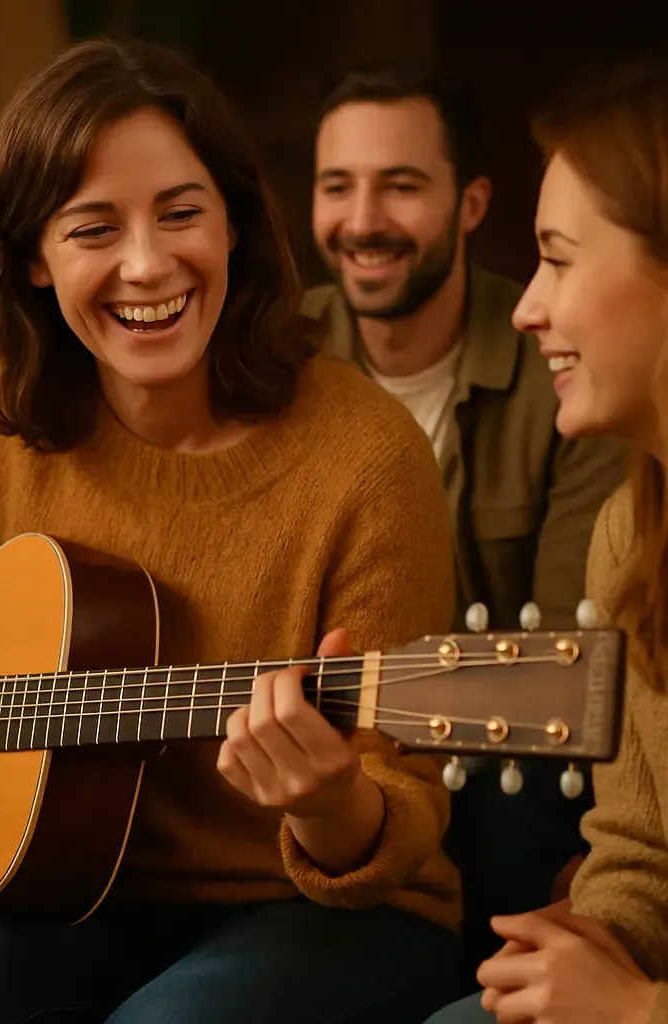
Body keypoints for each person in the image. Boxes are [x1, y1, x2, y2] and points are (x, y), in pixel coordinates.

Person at [0, 38, 463, 1024]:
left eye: (182, 213)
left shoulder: (368, 455)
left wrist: (328, 800)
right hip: (67, 887)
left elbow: (399, 811)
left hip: (317, 907)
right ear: (35, 257)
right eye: (93, 228)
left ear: (237, 224)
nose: (147, 265)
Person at [303, 60, 629, 976]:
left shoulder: (567, 368)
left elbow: (571, 663)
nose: (363, 220)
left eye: (401, 186)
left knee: (515, 813)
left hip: (496, 756)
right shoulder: (275, 359)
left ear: (472, 203)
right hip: (312, 742)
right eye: (337, 186)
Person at [424, 57, 668, 1024]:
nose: (527, 306)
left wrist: (635, 1008)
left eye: (559, 259)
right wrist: (588, 941)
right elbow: (641, 853)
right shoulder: (631, 531)